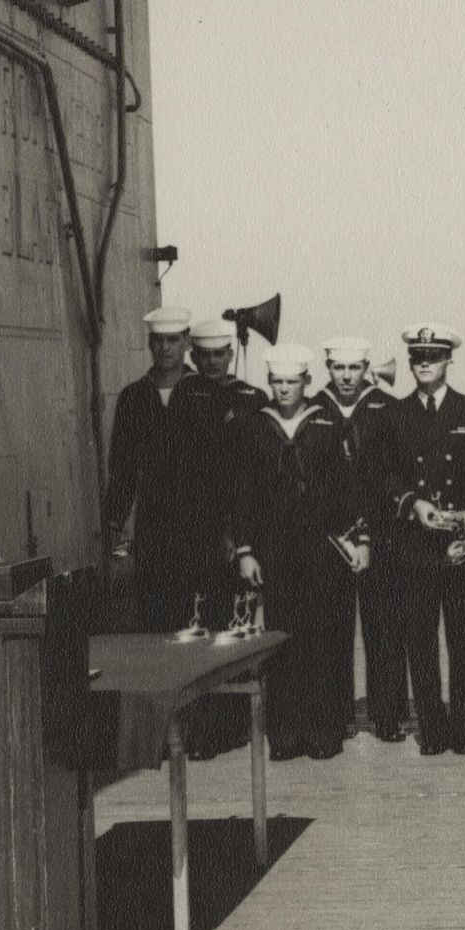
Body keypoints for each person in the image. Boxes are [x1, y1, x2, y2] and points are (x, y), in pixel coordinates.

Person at [231, 344, 368, 760]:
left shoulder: (326, 426)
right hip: (274, 550)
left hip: (320, 549)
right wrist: (246, 550)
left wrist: (360, 539)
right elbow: (243, 493)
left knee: (321, 639)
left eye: (292, 381)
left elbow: (348, 490)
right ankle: (286, 733)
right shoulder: (254, 428)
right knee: (282, 638)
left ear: (306, 382)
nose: (285, 389)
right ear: (269, 383)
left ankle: (323, 731)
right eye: (277, 381)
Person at [380, 323, 465, 755]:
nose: (424, 363)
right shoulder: (394, 415)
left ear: (450, 360)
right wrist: (413, 504)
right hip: (415, 544)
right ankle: (432, 729)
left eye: (433, 355)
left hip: (461, 541)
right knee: (421, 642)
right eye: (417, 356)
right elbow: (384, 473)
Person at [175, 316, 267, 755]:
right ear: (194, 356)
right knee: (202, 629)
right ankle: (204, 729)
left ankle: (236, 725)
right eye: (204, 355)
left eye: (219, 354)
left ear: (230, 354)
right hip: (196, 528)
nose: (212, 362)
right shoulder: (184, 396)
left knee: (240, 628)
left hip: (242, 524)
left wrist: (241, 532)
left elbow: (258, 471)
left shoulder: (252, 398)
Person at [310, 334, 407, 742]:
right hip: (332, 533)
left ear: (366, 369)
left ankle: (387, 715)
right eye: (339, 368)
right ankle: (336, 715)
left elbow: (399, 469)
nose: (346, 376)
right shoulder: (314, 408)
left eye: (354, 368)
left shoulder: (387, 408)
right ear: (328, 369)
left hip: (381, 532)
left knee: (383, 627)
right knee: (332, 627)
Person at [102, 305, 201, 631]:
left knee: (201, 623)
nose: (165, 348)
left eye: (173, 340)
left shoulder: (205, 395)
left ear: (187, 341)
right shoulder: (133, 398)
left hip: (199, 526)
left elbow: (221, 470)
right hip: (153, 528)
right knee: (156, 616)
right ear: (150, 343)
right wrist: (114, 520)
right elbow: (122, 468)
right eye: (158, 340)